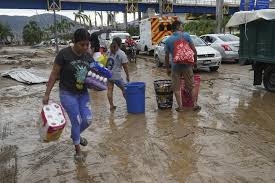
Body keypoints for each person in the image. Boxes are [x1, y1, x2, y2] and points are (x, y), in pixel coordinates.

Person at [42, 28, 93, 161]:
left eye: (87, 44)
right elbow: (54, 74)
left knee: (87, 120)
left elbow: (93, 76)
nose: (85, 47)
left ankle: (74, 136)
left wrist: (99, 84)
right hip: (67, 93)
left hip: (83, 93)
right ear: (74, 42)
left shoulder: (88, 55)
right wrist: (47, 94)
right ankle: (77, 151)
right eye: (82, 44)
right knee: (76, 120)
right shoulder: (63, 54)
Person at [164, 20, 201, 112]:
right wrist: (195, 63)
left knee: (176, 87)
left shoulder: (168, 40)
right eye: (182, 26)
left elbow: (166, 56)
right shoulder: (186, 36)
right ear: (178, 27)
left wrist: (168, 68)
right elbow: (194, 50)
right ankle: (195, 105)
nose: (183, 27)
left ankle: (180, 107)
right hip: (187, 65)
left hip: (175, 66)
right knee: (191, 86)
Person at [106, 37, 130, 111]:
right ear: (120, 44)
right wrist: (128, 76)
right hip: (117, 76)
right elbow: (125, 67)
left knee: (110, 90)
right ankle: (130, 103)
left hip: (108, 74)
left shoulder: (108, 52)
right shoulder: (121, 53)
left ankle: (111, 106)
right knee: (125, 89)